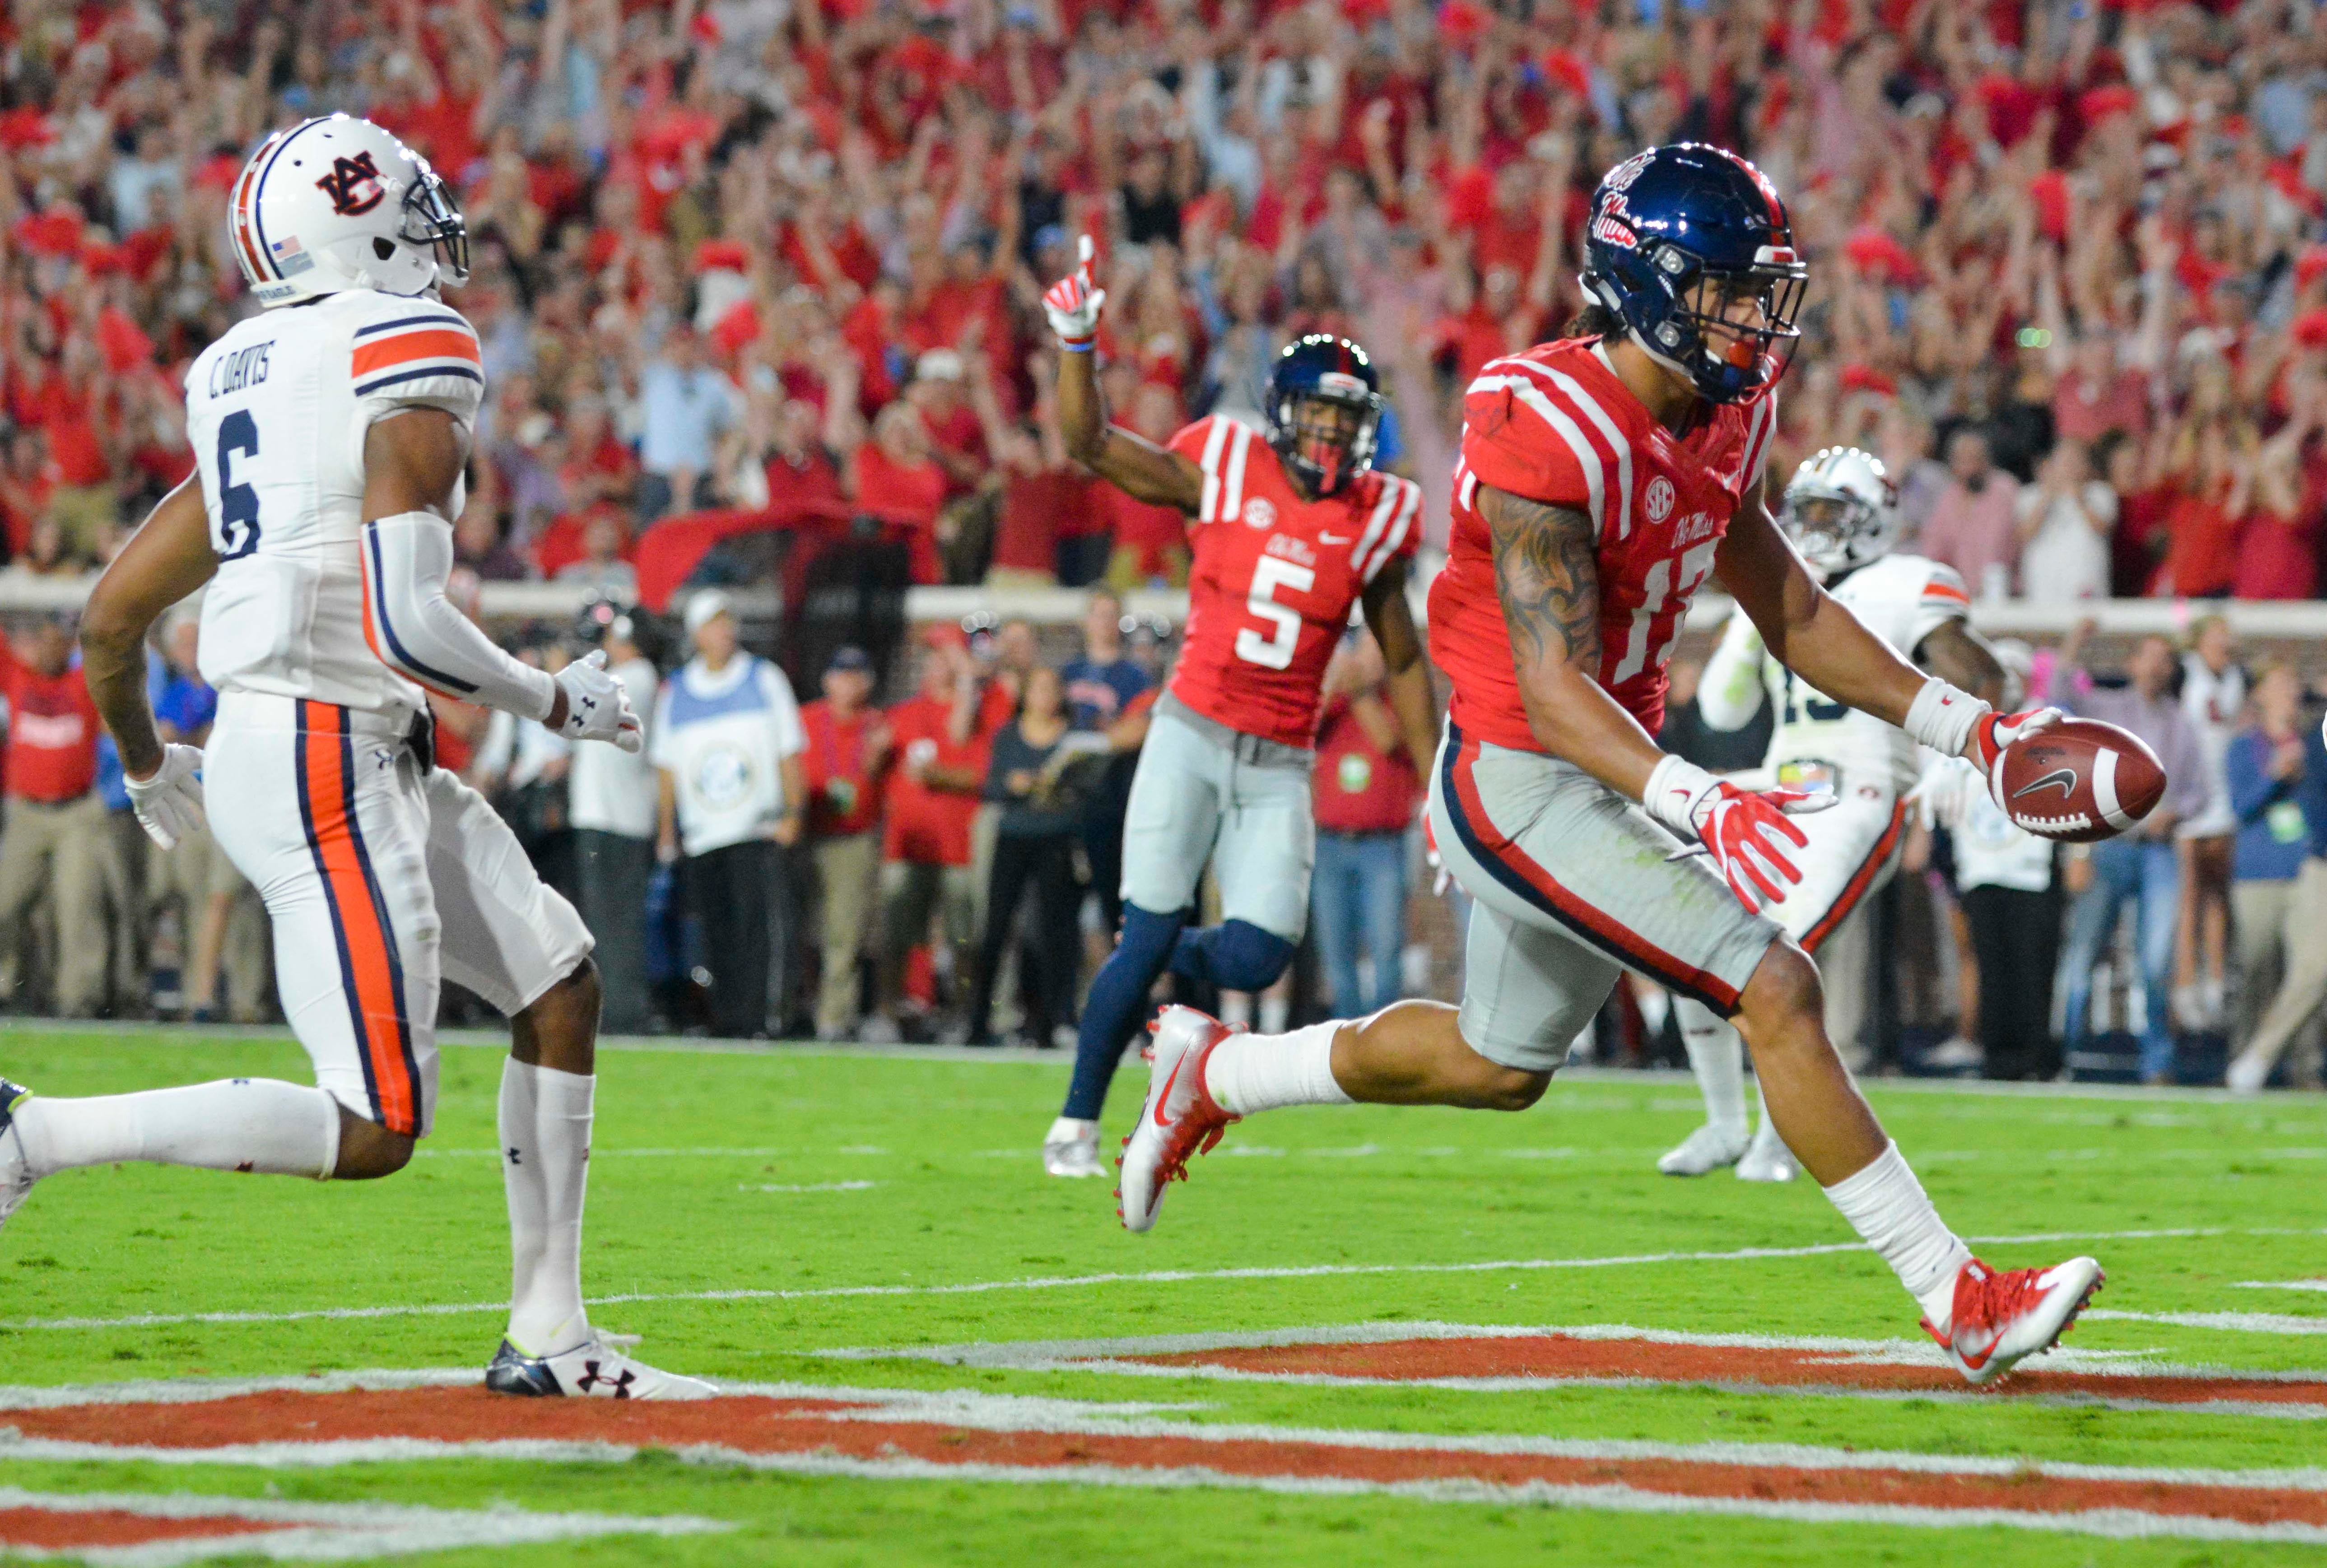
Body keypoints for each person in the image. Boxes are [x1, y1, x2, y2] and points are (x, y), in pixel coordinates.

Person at [1111, 144, 2101, 1385]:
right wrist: (1694, 797)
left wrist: (1972, 731)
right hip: (1522, 771)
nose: (1756, 318)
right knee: (1774, 987)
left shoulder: (1726, 408)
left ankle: (1217, 1067)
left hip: (1606, 758)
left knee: (1497, 1066)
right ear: (1649, 286)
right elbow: (1554, 690)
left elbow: (1789, 607)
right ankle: (1957, 1296)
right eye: (1731, 292)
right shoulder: (1546, 424)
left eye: (1760, 290)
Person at [0, 117, 707, 1398]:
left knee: (558, 982)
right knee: (376, 1124)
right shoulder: (409, 345)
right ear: (363, 223)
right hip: (330, 751)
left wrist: (147, 762)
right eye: (415, 201)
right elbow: (405, 618)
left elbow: (112, 613)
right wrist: (558, 699)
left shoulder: (239, 372)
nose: (437, 224)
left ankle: (551, 1336)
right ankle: (32, 1133)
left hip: (328, 743)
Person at [1038, 239, 1438, 1182]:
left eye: (1349, 422)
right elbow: (1091, 444)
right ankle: (1076, 1119)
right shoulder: (1221, 461)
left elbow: (1404, 651)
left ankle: (1143, 965)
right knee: (1146, 932)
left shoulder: (1379, 513)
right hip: (1190, 731)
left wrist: (1438, 783)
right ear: (1279, 414)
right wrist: (1077, 343)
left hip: (1280, 760)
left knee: (1258, 953)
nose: (1334, 438)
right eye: (1318, 417)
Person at [1669, 447, 2002, 1182]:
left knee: (1772, 959)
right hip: (1780, 792)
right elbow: (1724, 709)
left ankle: (1780, 1133)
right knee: (1684, 942)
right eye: (1806, 513)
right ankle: (1725, 1122)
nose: (1814, 530)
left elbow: (1978, 673)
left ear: (1873, 517)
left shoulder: (1904, 582)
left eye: (1831, 514)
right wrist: (1741, 614)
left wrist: (1953, 758)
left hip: (1861, 788)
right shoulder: (1780, 581)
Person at [2048, 624, 2211, 1084]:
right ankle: (2067, 1055)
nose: (2157, 667)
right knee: (2083, 951)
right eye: (2150, 657)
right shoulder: (2107, 708)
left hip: (2159, 850)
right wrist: (2074, 645)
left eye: (2166, 660)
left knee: (2157, 959)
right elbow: (2058, 702)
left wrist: (2175, 812)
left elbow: (2200, 792)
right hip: (2108, 844)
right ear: (2133, 663)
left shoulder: (2182, 722)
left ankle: (2157, 1063)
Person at [651, 590, 808, 1039]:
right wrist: (668, 829)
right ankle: (729, 1017)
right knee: (716, 930)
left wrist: (793, 811)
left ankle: (765, 1017)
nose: (724, 632)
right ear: (697, 634)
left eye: (728, 622)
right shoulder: (678, 690)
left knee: (759, 929)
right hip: (704, 833)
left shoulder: (764, 678)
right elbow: (667, 767)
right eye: (714, 624)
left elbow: (788, 748)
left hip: (757, 827)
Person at [1920, 643, 2064, 1082]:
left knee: (2034, 966)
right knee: (1992, 966)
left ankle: (2039, 1057)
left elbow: (2077, 792)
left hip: (2033, 867)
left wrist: (2079, 852)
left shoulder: (2049, 729)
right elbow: (1935, 796)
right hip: (1980, 867)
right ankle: (1999, 1057)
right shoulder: (1961, 735)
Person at [867, 634, 987, 1043]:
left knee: (963, 937)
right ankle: (887, 1011)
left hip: (957, 847)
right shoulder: (902, 715)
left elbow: (981, 776)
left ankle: (960, 1015)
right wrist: (875, 753)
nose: (936, 668)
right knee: (897, 934)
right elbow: (872, 773)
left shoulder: (972, 718)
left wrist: (938, 777)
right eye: (931, 661)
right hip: (907, 844)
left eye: (945, 660)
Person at [967, 665, 1088, 1047]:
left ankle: (1049, 1021)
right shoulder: (1008, 736)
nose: (1045, 697)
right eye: (1038, 688)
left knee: (1052, 933)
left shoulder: (1074, 742)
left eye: (1052, 689)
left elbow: (1086, 791)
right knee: (996, 928)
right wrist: (1015, 784)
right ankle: (979, 1020)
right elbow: (992, 786)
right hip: (1014, 839)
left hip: (1055, 841)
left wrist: (1057, 790)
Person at [0, 614, 112, 1016]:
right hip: (26, 811)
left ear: (70, 648)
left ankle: (79, 997)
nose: (49, 650)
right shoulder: (18, 676)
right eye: (42, 642)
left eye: (57, 643)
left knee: (78, 905)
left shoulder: (82, 684)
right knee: (5, 903)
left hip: (75, 813)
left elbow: (111, 649)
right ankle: (5, 986)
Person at [1310, 630, 1423, 1019]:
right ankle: (1345, 1041)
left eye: (1376, 655)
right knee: (1336, 956)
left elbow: (1388, 740)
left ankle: (1385, 1041)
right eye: (1361, 654)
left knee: (1386, 951)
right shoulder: (1336, 702)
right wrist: (1332, 684)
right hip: (1329, 844)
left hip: (1382, 846)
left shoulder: (1401, 703)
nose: (1364, 664)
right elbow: (1304, 729)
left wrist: (1357, 691)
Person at [2225, 665, 2327, 1093]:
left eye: (2294, 684)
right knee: (2257, 971)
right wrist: (2274, 776)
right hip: (2259, 871)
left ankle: (2304, 1069)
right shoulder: (2245, 747)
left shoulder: (2312, 740)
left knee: (2312, 970)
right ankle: (2245, 1059)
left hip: (2308, 866)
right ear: (2260, 694)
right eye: (2281, 685)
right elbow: (2241, 805)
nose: (2291, 692)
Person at [568, 612, 661, 1035]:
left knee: (619, 921)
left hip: (622, 820)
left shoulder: (640, 675)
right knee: (601, 921)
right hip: (600, 816)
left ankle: (626, 1010)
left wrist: (564, 667)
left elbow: (585, 704)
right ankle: (611, 1008)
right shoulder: (623, 676)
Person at [800, 646, 891, 1042]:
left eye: (857, 675)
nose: (849, 683)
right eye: (842, 675)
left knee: (846, 931)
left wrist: (876, 758)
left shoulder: (877, 725)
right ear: (828, 680)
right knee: (806, 927)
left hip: (854, 837)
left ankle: (834, 1015)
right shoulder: (806, 720)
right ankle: (803, 1007)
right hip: (807, 833)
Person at [2174, 615, 2243, 1033]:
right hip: (2190, 796)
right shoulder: (2185, 674)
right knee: (2190, 897)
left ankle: (2216, 981)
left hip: (2225, 796)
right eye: (2217, 634)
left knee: (2219, 895)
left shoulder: (2238, 677)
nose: (2226, 642)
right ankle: (2186, 986)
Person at [1917, 427, 2020, 601]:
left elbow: (2002, 544)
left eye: (1976, 459)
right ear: (1954, 465)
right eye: (1963, 461)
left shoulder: (2004, 489)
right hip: (1960, 596)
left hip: (2005, 592)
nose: (1971, 467)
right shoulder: (1948, 498)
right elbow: (1935, 549)